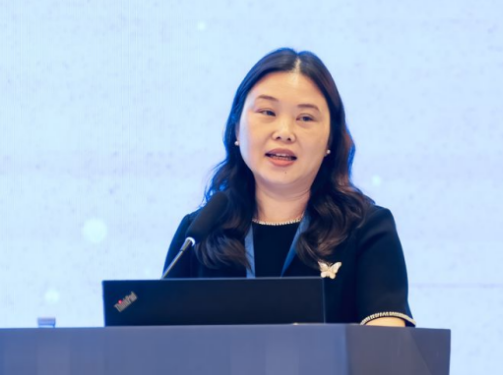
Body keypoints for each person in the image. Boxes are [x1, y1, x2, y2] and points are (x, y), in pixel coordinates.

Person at [163, 48, 414, 327]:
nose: (284, 132)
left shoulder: (365, 229)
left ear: (331, 139)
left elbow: (387, 344)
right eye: (267, 112)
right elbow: (160, 342)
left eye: (305, 118)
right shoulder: (198, 235)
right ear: (236, 129)